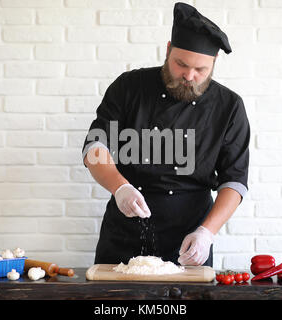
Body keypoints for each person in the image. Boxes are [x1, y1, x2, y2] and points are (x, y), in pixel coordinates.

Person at [81, 2, 250, 267]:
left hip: (190, 240)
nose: (189, 76)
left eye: (201, 70)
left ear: (214, 62)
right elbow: (95, 147)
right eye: (181, 64)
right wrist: (120, 187)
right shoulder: (128, 87)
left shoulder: (229, 106)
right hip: (123, 237)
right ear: (168, 49)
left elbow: (235, 182)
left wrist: (207, 233)